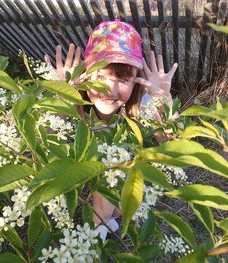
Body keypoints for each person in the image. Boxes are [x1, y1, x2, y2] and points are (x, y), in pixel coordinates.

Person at [45, 20, 178, 241]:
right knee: (105, 195)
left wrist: (162, 101)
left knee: (116, 207)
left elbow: (173, 147)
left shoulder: (143, 103)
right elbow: (45, 135)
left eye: (123, 79)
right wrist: (63, 94)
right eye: (100, 76)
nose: (110, 90)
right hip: (88, 168)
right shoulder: (75, 97)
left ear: (136, 81)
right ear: (85, 73)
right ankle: (97, 240)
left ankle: (109, 222)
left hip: (123, 169)